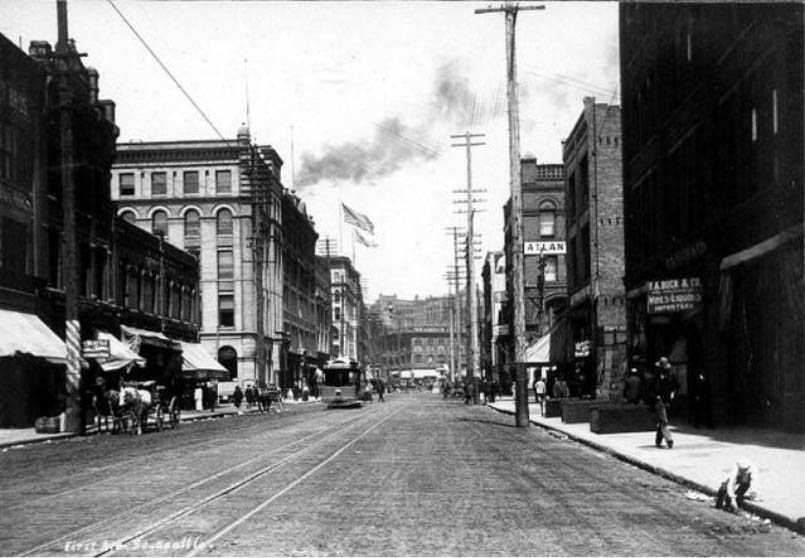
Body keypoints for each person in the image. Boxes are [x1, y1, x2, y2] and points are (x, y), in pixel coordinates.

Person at [653, 357, 675, 449]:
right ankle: (669, 439)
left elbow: (674, 385)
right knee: (664, 420)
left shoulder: (669, 376)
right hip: (662, 400)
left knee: (662, 421)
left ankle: (658, 440)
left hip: (664, 400)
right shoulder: (659, 376)